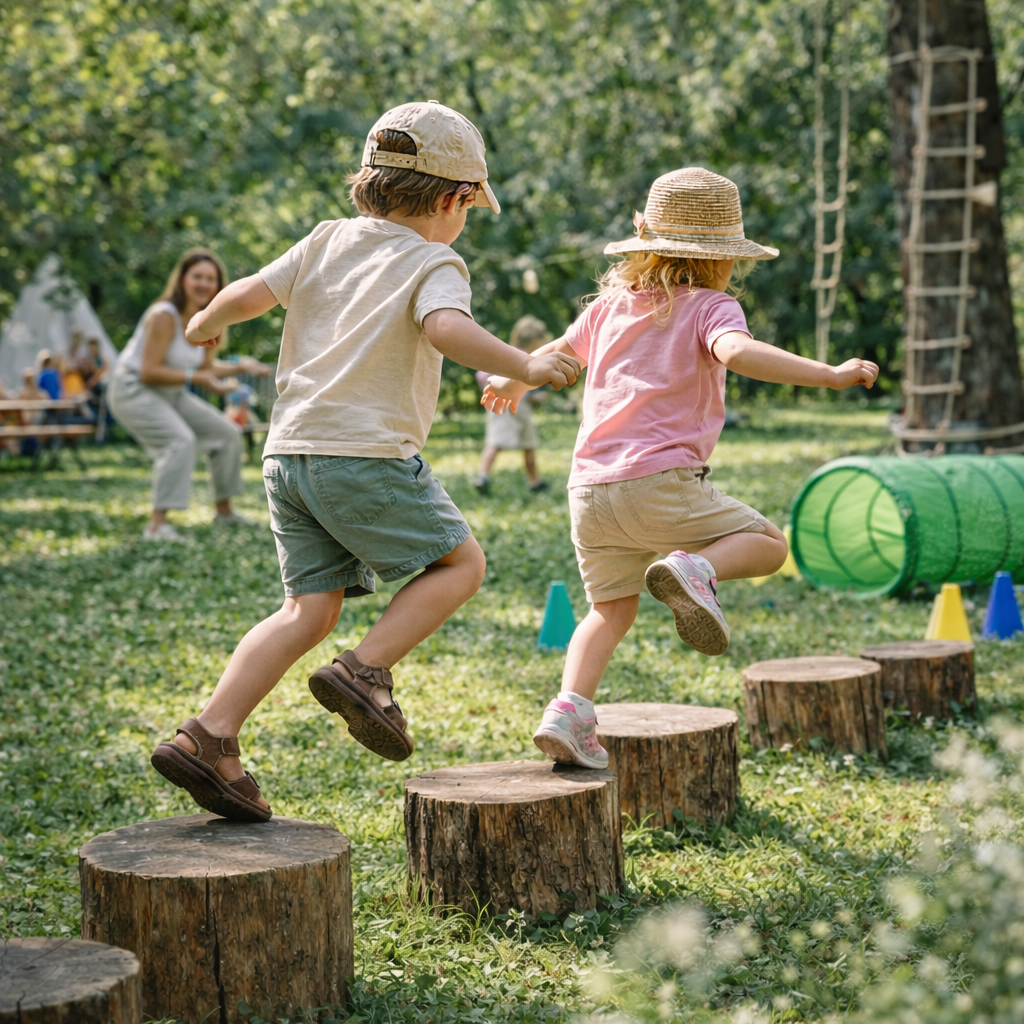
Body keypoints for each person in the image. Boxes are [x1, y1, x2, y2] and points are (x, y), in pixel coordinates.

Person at [149, 101, 580, 821]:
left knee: (305, 610)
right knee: (461, 565)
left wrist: (204, 322)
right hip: (365, 454)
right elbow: (446, 328)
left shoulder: (324, 240)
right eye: (470, 209)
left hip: (288, 456)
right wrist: (525, 365)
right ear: (454, 198)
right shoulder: (435, 258)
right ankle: (364, 671)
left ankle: (208, 738)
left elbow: (246, 294)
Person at [483, 167, 879, 769]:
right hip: (660, 482)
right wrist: (827, 373)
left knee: (609, 610)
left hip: (589, 491)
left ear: (644, 241)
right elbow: (739, 353)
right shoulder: (710, 308)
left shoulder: (608, 308)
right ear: (724, 259)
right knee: (769, 544)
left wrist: (511, 379)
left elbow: (552, 355)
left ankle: (568, 712)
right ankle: (696, 568)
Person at [106, 249, 271, 542]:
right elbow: (149, 370)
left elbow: (206, 369)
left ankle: (225, 511)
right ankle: (157, 526)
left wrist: (240, 367)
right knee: (179, 440)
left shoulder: (208, 321)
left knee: (227, 434)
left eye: (211, 279)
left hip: (170, 391)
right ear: (182, 279)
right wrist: (199, 378)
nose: (204, 284)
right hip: (132, 389)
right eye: (197, 277)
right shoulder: (163, 315)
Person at [473, 314, 552, 494]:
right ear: (534, 340)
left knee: (496, 441)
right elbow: (525, 388)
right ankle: (533, 481)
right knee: (528, 443)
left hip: (499, 405)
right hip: (517, 407)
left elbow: (482, 376)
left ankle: (483, 476)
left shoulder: (507, 353)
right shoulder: (527, 358)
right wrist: (536, 398)